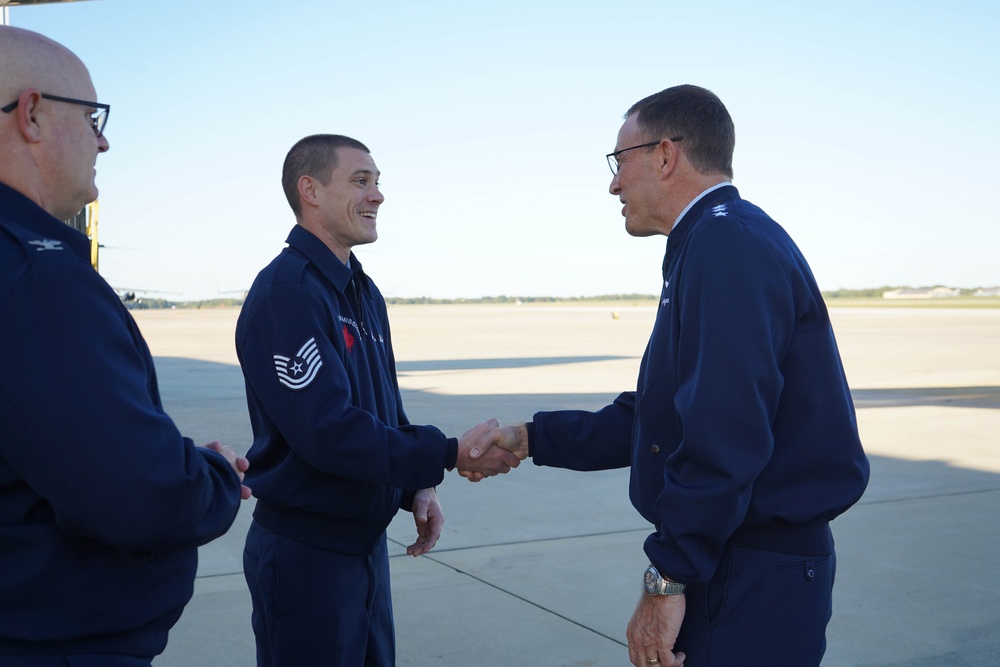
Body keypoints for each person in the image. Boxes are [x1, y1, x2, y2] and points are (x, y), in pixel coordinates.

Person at [473, 85, 870, 667]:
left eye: (619, 160)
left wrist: (668, 578)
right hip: (743, 562)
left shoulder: (725, 244)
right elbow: (665, 416)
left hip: (750, 571)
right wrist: (532, 438)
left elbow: (724, 432)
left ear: (665, 155)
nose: (613, 183)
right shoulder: (714, 238)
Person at [0, 26, 250, 666]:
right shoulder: (37, 278)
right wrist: (214, 472)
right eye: (91, 118)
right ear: (31, 114)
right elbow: (139, 497)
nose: (103, 140)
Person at [236, 133, 519, 666]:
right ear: (310, 190)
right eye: (361, 181)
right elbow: (328, 432)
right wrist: (446, 452)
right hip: (306, 556)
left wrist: (416, 486)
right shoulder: (288, 294)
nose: (378, 196)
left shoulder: (361, 291)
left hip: (363, 550)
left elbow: (383, 409)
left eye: (378, 182)